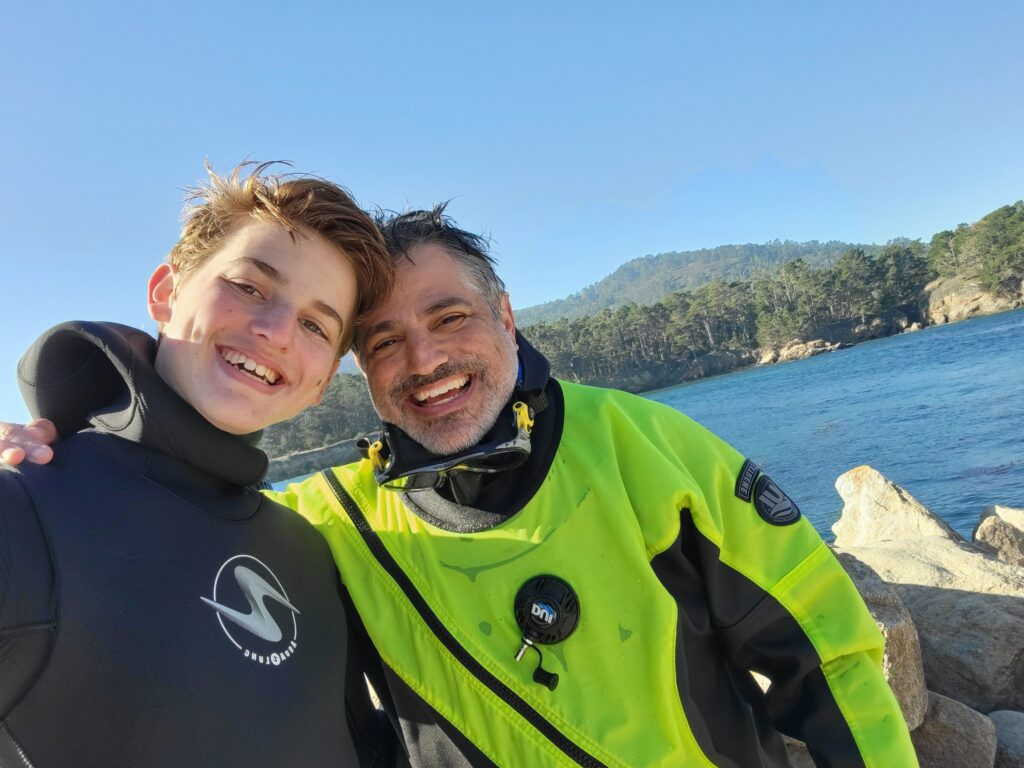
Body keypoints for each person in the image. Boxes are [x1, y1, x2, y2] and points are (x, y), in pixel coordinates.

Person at [4, 206, 918, 767]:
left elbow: (827, 654)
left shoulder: (649, 449)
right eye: (383, 342)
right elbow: (179, 515)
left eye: (450, 318)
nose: (427, 360)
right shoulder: (325, 524)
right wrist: (61, 445)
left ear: (507, 319)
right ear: (353, 372)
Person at [0, 163, 398, 767]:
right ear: (165, 291)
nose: (274, 331)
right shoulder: (22, 508)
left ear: (322, 383)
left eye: (316, 324)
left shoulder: (307, 553)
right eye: (249, 286)